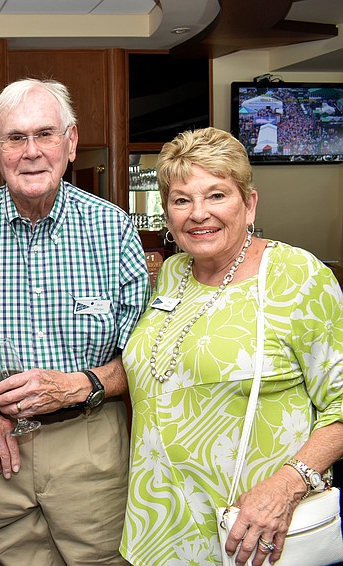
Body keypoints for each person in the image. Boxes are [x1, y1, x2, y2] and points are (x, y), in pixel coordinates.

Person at [0, 78, 151, 565]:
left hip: (90, 441)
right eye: (15, 138)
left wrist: (81, 385)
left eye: (45, 134)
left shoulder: (113, 230)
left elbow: (145, 354)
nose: (31, 152)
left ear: (70, 142)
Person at [120, 127, 343, 566]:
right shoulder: (173, 273)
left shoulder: (295, 276)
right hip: (158, 529)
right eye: (181, 200)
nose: (198, 214)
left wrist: (284, 488)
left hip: (252, 531)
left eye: (216, 195)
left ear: (250, 203)